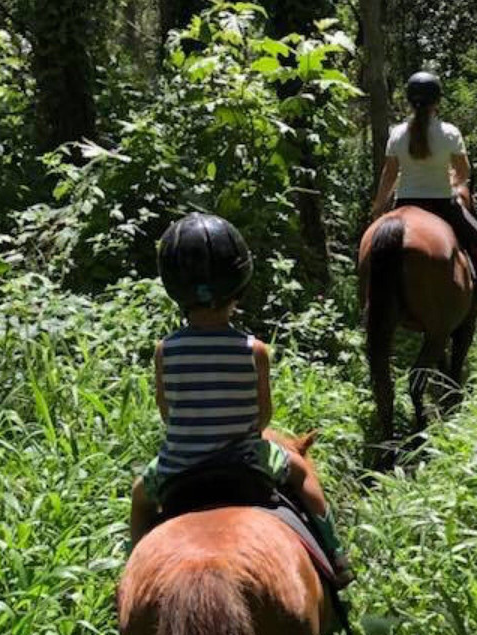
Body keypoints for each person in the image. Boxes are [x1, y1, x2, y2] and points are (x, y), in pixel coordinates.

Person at [128, 212, 354, 586]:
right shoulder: (255, 350)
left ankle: (130, 577)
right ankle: (336, 554)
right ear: (238, 283)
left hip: (179, 464)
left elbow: (168, 415)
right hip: (246, 458)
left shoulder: (164, 350)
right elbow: (262, 416)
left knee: (139, 497)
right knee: (300, 474)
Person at [370, 71, 477, 329]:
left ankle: (368, 307)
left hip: (405, 203)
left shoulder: (397, 133)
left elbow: (388, 176)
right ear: (438, 101)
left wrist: (378, 208)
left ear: (409, 101)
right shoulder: (449, 133)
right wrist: (453, 182)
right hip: (443, 205)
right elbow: (464, 172)